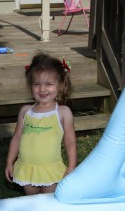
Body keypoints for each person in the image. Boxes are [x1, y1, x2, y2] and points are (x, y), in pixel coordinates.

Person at [5, 53, 78, 195]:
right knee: (32, 204)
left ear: (60, 85)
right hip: (27, 169)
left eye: (49, 84)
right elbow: (17, 138)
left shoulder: (63, 112)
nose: (42, 89)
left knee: (49, 203)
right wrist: (9, 162)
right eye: (37, 84)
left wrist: (72, 165)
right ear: (30, 86)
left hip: (51, 170)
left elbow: (70, 141)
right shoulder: (26, 111)